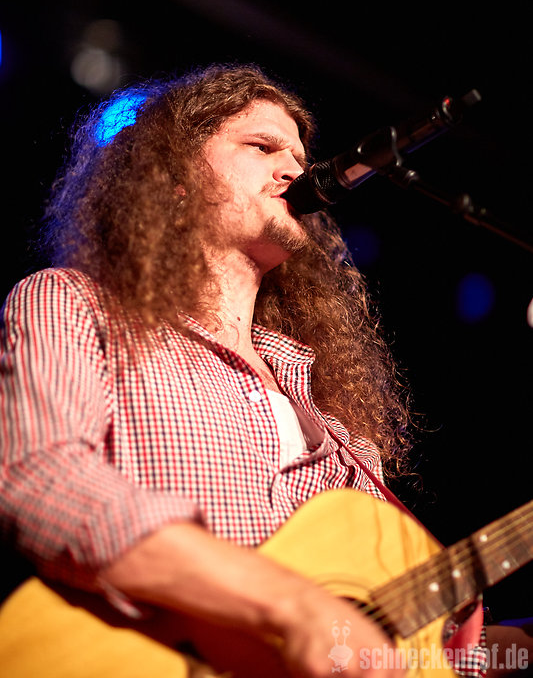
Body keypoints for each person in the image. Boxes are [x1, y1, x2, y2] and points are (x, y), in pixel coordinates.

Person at [0, 63, 530, 678]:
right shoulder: (75, 303)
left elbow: (392, 650)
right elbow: (40, 478)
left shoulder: (340, 432)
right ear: (173, 177)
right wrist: (286, 604)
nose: (294, 171)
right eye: (262, 146)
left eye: (300, 157)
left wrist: (517, 649)